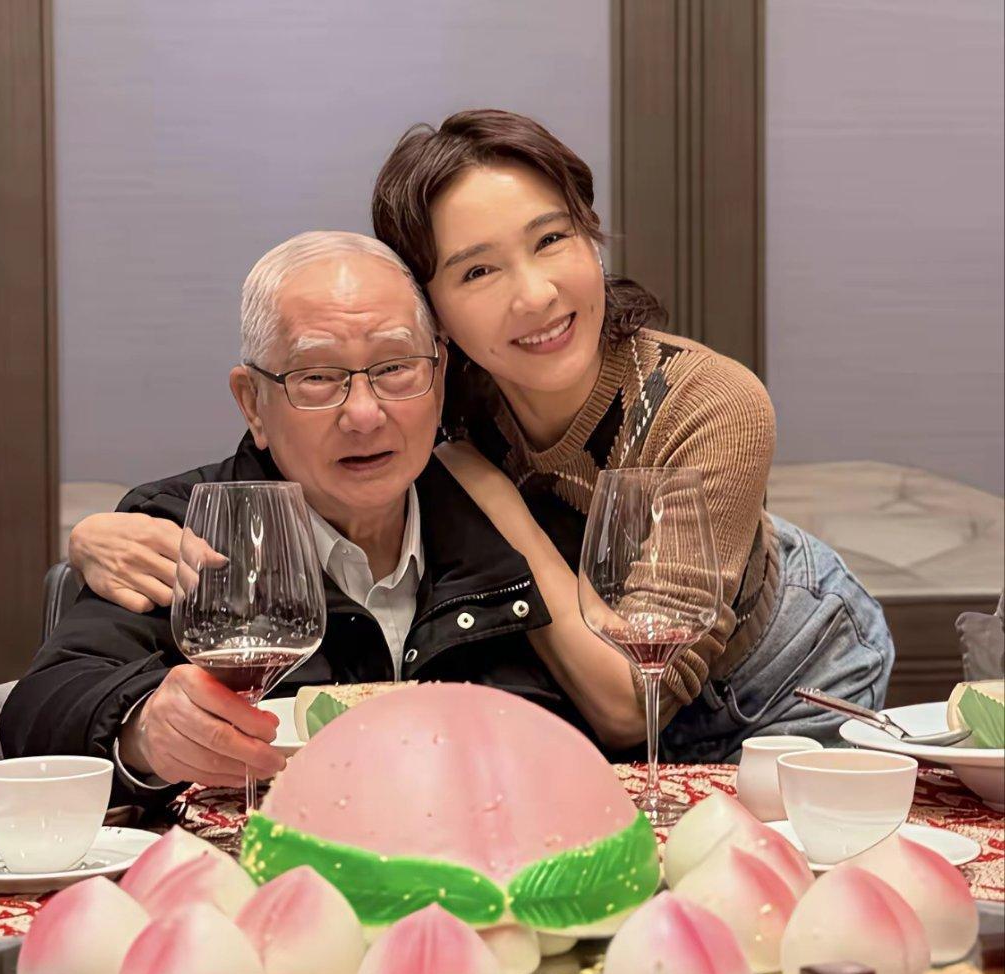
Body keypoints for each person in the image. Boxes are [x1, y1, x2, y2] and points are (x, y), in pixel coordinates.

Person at [67, 110, 895, 764]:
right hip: (594, 677)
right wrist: (99, 536)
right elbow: (296, 410)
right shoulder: (431, 386)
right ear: (431, 310)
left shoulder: (707, 402)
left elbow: (629, 698)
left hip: (773, 666)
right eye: (478, 270)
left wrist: (492, 493)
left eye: (552, 240)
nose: (535, 296)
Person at [0, 232, 577, 802]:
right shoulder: (187, 529)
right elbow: (42, 708)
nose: (364, 414)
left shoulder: (498, 515)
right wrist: (143, 728)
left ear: (439, 377)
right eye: (318, 377)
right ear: (253, 403)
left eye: (395, 367)